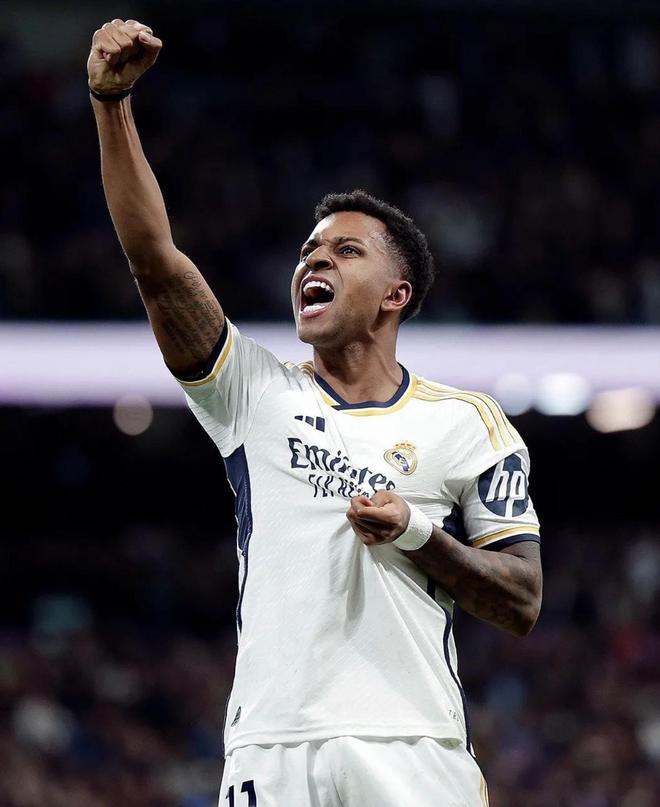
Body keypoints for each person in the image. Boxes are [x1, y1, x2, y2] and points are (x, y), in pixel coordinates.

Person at [87, 19, 542, 807]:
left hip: (414, 750)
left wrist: (415, 532)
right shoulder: (252, 393)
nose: (314, 260)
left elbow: (521, 598)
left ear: (397, 294)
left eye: (344, 250)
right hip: (271, 747)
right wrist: (110, 104)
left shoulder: (470, 423)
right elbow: (155, 263)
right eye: (307, 252)